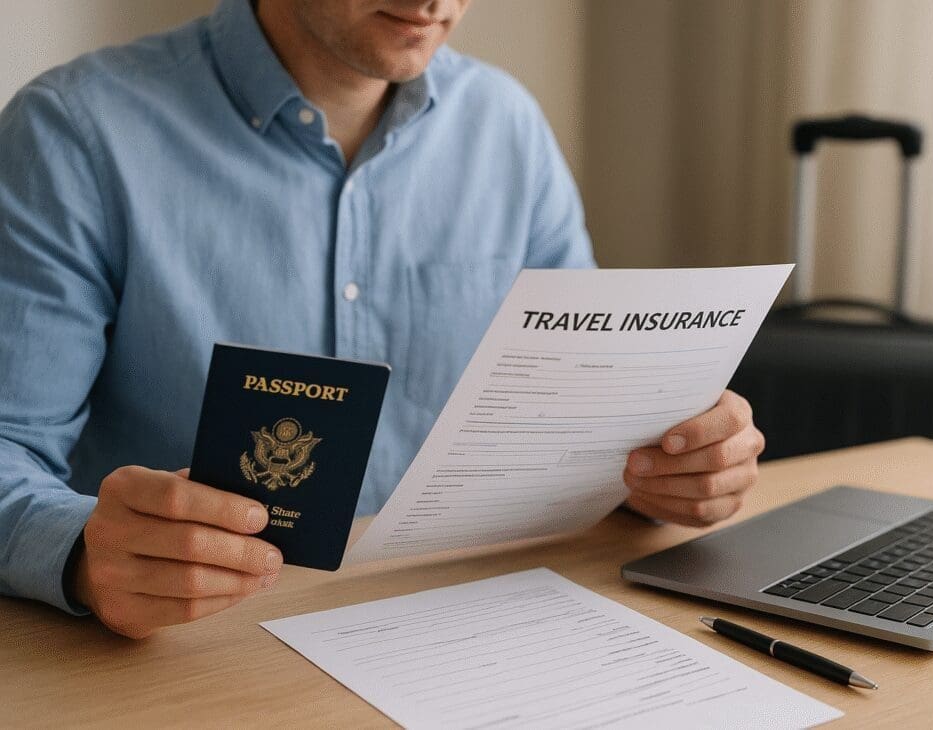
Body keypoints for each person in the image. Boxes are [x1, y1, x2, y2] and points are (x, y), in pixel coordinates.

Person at [0, 0, 765, 639]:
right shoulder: (75, 132)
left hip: (476, 625)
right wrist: (78, 554)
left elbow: (587, 410)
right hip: (201, 651)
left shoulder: (506, 127)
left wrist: (664, 467)